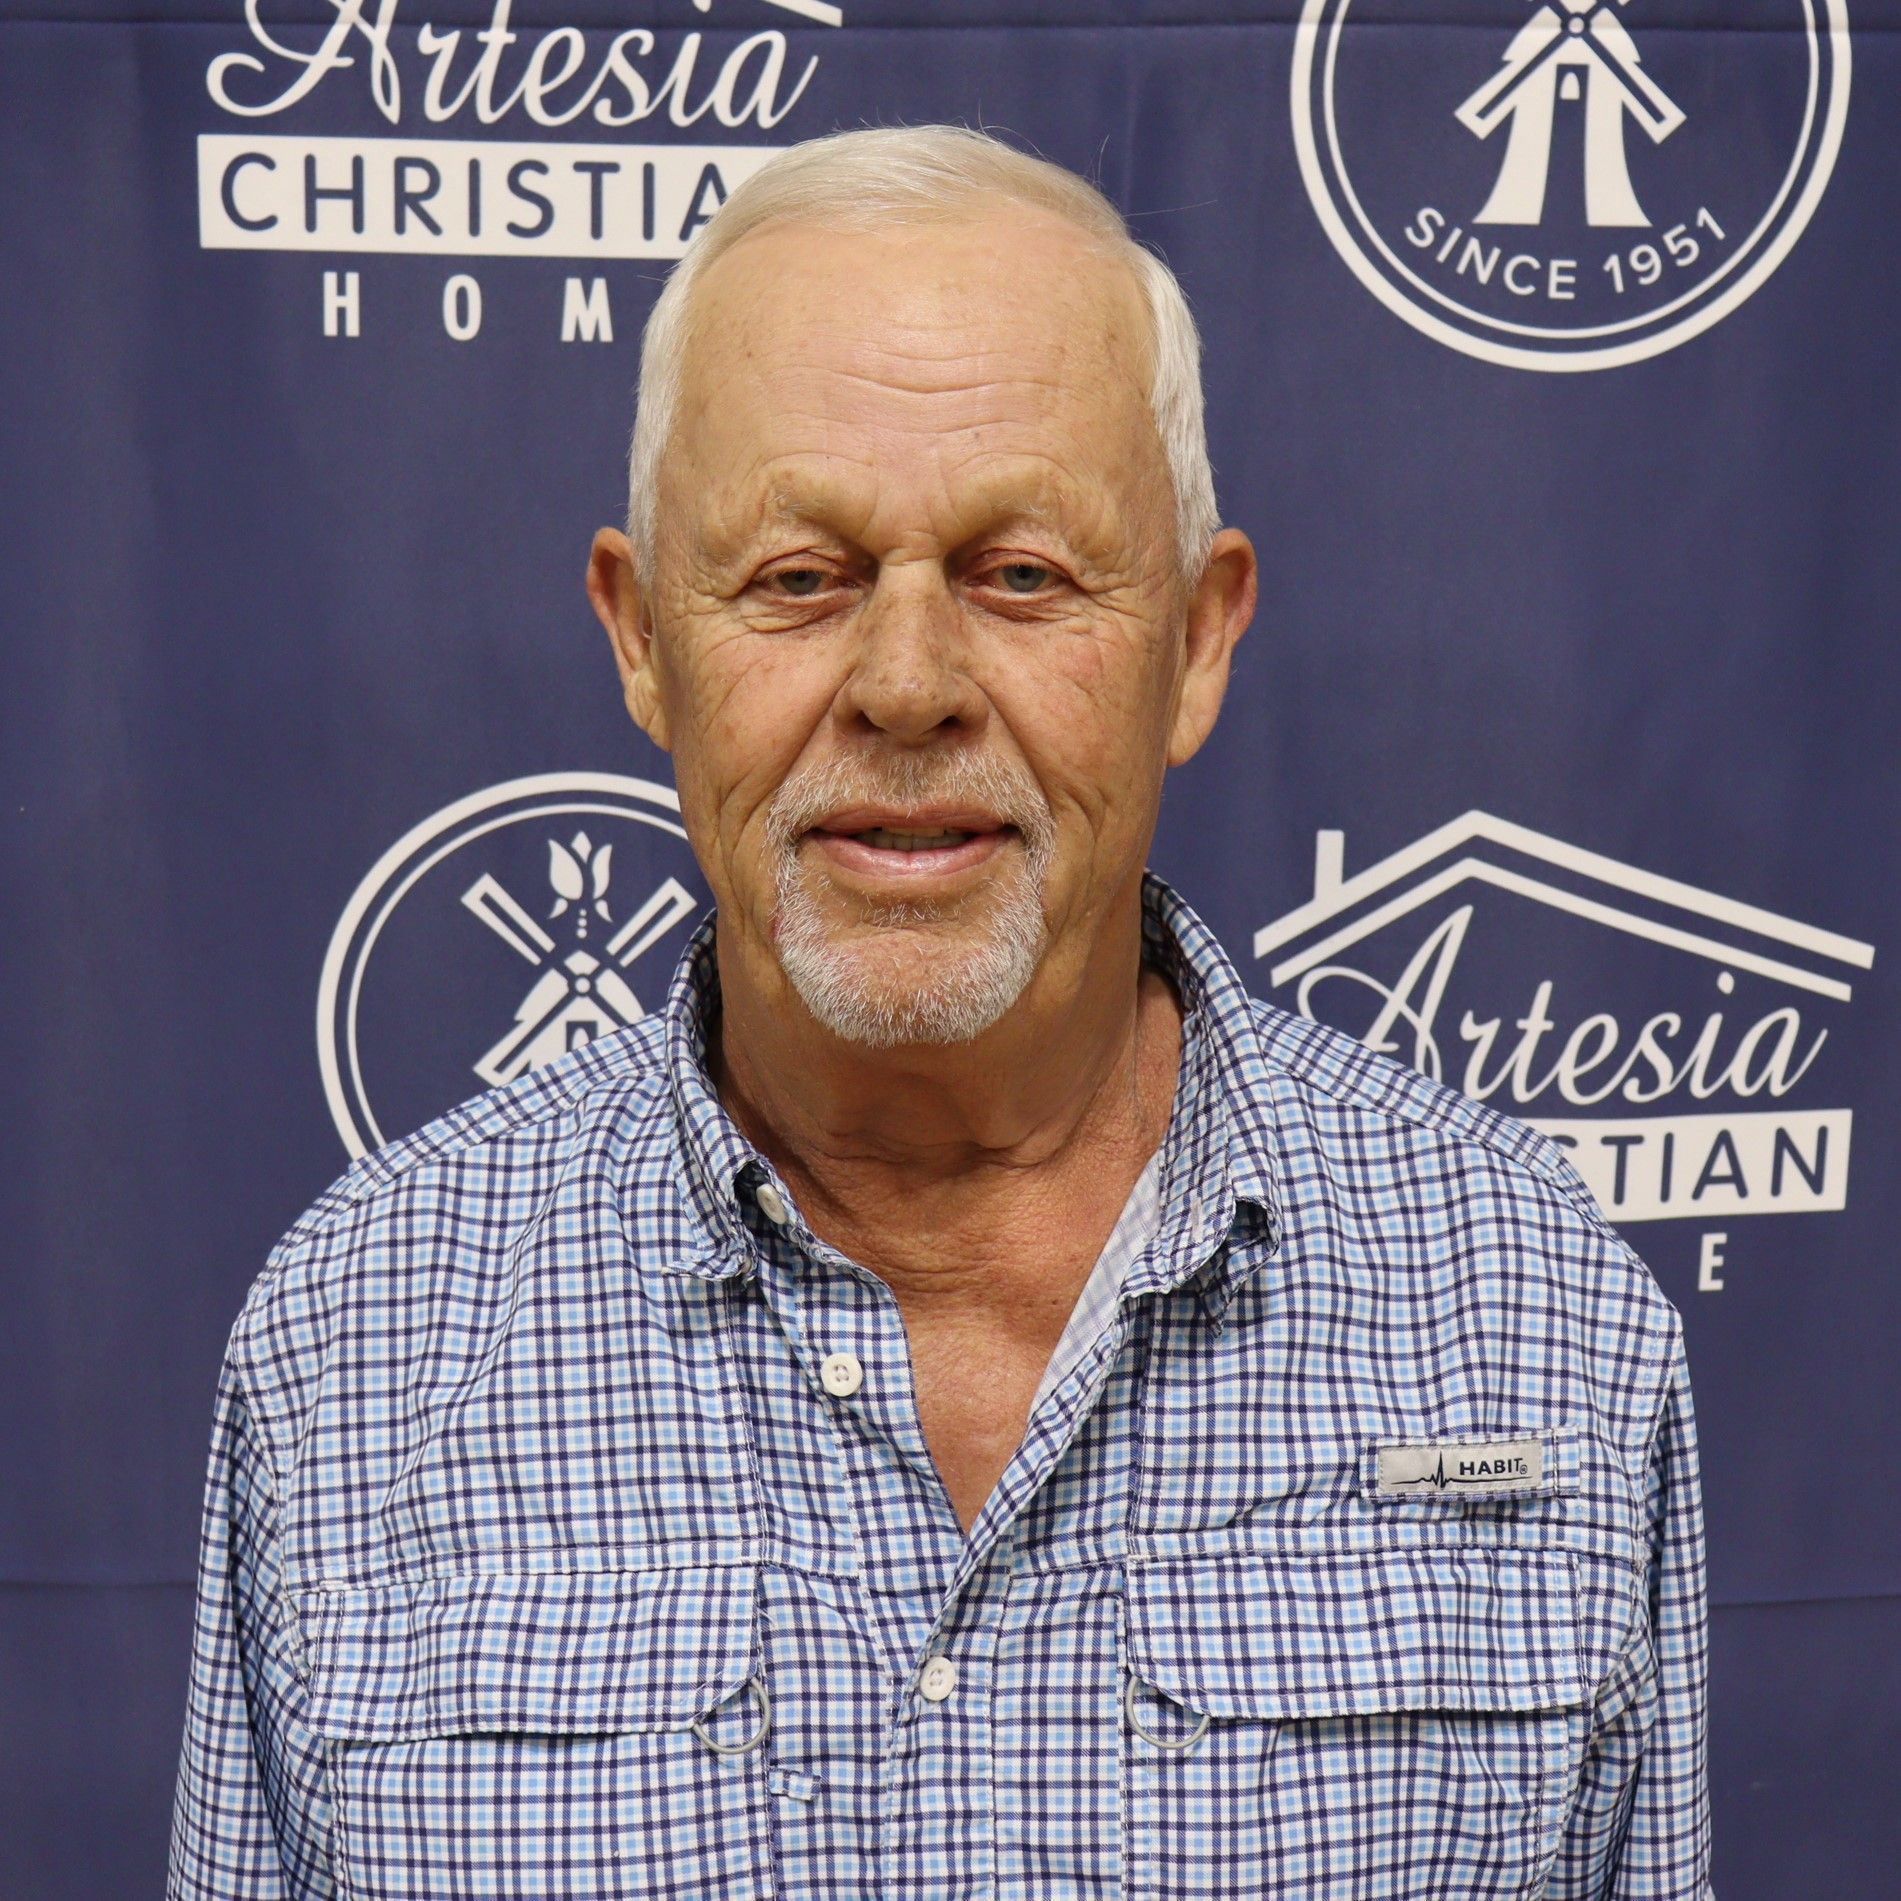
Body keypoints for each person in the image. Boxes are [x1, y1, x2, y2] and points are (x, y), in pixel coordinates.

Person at [168, 124, 1711, 1899]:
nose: (905, 686)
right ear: (643, 638)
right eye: (799, 579)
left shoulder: (1540, 1318)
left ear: (1197, 642)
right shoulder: (353, 1346)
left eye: (1023, 575)